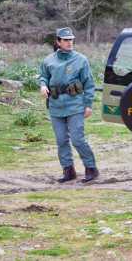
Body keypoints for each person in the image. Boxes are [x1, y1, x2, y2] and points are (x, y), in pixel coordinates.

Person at [39, 27, 98, 183]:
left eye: (71, 39)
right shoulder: (48, 60)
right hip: (55, 105)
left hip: (75, 104)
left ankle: (91, 168)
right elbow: (43, 77)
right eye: (65, 40)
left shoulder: (81, 60)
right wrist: (43, 85)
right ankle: (68, 171)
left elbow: (89, 84)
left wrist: (88, 104)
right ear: (58, 42)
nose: (69, 42)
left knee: (78, 139)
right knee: (61, 140)